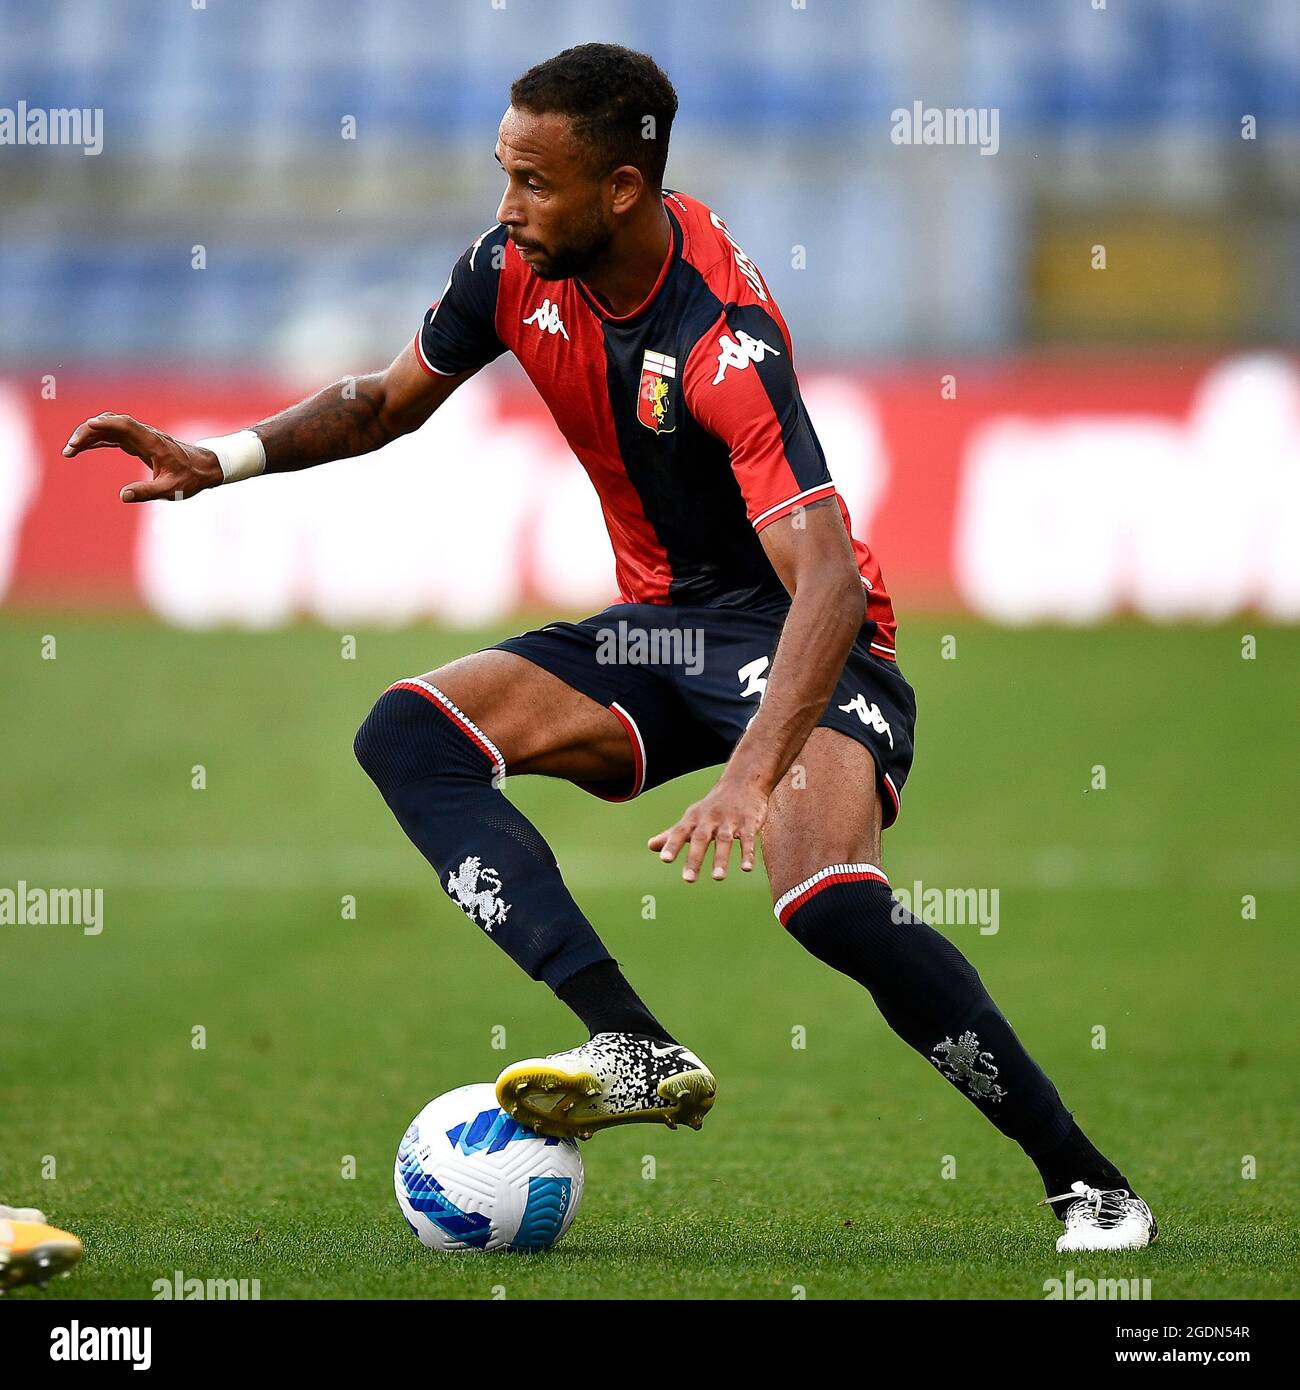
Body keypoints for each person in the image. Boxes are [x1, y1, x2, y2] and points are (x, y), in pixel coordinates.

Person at [65, 43, 1155, 1252]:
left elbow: (830, 583)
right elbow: (381, 402)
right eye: (503, 174)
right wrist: (222, 459)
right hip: (657, 632)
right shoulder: (507, 270)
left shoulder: (722, 340)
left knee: (831, 905)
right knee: (410, 732)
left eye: (534, 182)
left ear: (621, 190)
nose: (506, 208)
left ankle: (1087, 1182)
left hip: (802, 641)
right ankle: (627, 1038)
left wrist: (753, 770)